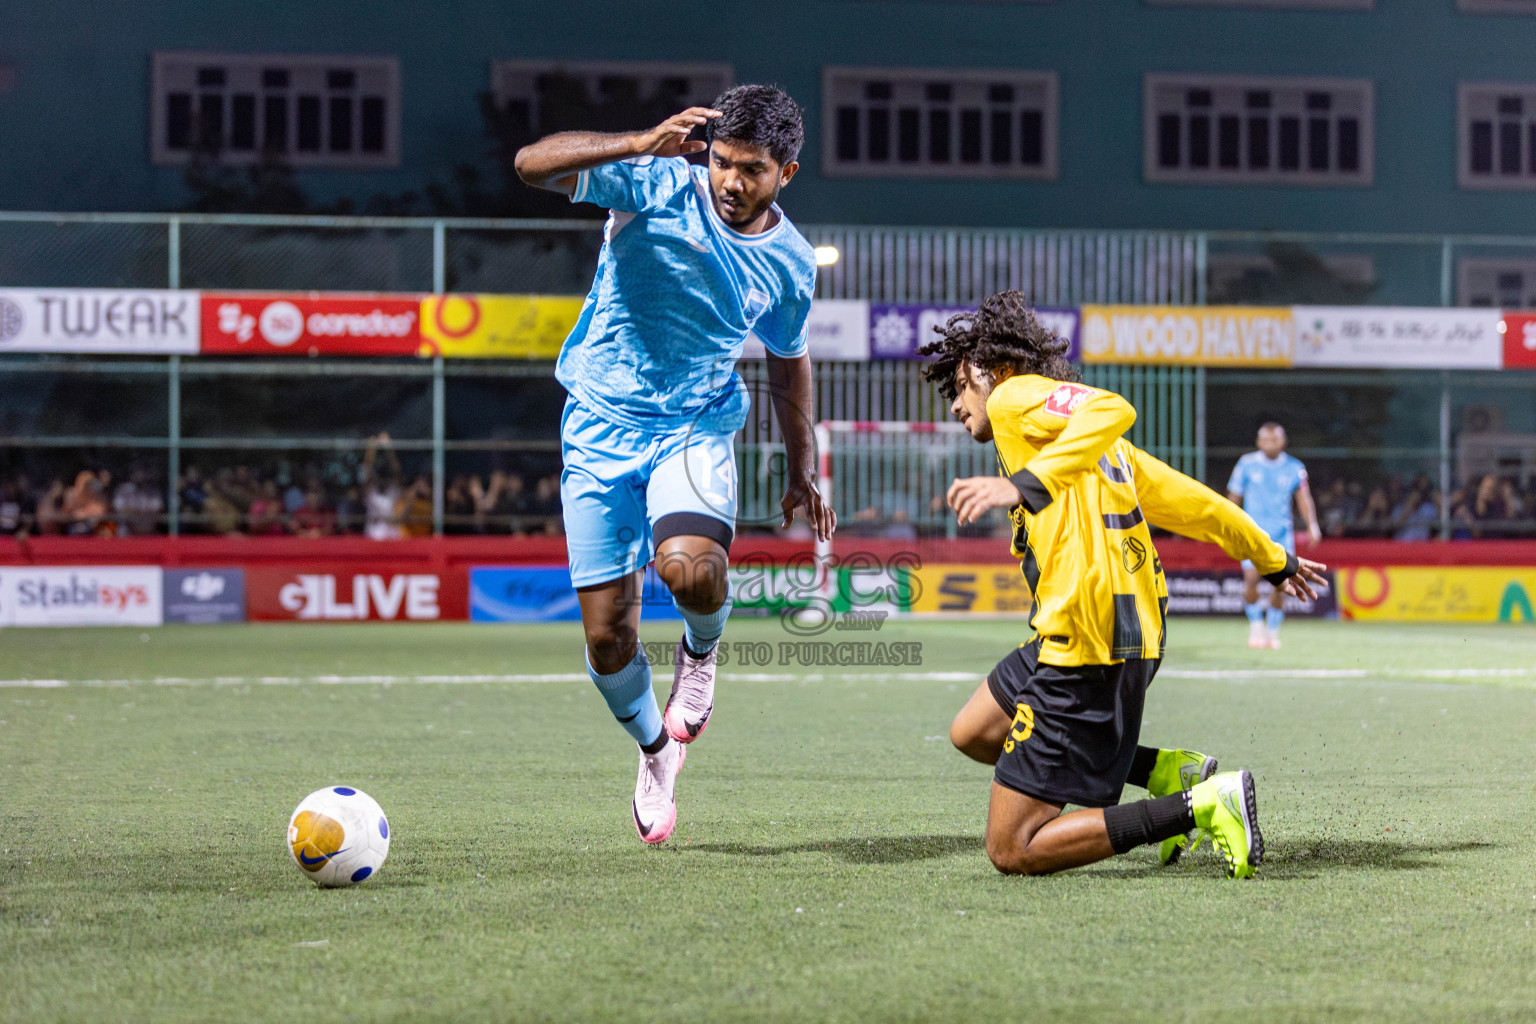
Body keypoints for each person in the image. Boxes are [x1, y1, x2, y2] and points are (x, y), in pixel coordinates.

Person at [516, 84, 834, 843]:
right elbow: (531, 164)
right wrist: (634, 142)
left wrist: (803, 468)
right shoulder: (654, 180)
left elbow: (790, 360)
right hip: (597, 425)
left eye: (752, 169)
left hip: (694, 426)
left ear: (786, 173)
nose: (732, 181)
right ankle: (656, 751)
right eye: (723, 162)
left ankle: (702, 652)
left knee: (690, 568)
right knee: (607, 641)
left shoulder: (791, 262)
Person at [919, 291, 1326, 879]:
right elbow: (1204, 508)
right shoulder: (1108, 454)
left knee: (1012, 847)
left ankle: (1203, 805)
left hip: (1088, 637)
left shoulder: (1012, 397)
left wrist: (1025, 484)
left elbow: (1110, 405)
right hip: (1119, 630)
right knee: (975, 731)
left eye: (961, 385)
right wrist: (1275, 559)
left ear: (993, 369)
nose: (957, 404)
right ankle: (1166, 772)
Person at [1226, 423, 1320, 650]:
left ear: (1283, 442)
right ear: (1258, 442)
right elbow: (1233, 498)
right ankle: (1256, 626)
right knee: (1251, 580)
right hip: (1252, 533)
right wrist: (1226, 526)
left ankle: (1272, 631)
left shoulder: (1294, 467)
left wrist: (1312, 525)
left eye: (1274, 439)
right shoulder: (1246, 464)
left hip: (1281, 535)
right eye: (1265, 439)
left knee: (1282, 584)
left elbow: (1304, 499)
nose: (1270, 443)